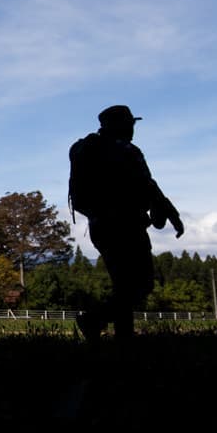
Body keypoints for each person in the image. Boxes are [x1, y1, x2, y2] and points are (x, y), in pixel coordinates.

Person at [68, 104, 182, 345]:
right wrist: (169, 212)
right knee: (141, 285)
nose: (132, 128)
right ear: (121, 125)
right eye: (130, 123)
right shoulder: (127, 151)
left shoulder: (88, 150)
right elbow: (147, 184)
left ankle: (123, 338)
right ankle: (95, 320)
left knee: (123, 285)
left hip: (100, 227)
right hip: (128, 226)